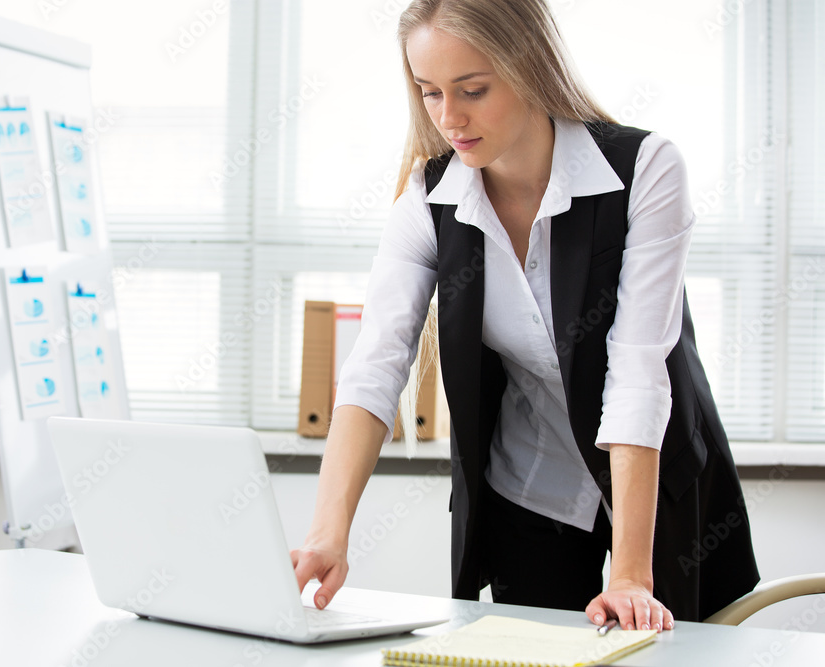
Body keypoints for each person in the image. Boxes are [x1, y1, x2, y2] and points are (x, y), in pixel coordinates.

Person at [289, 0, 760, 632]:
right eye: (430, 93)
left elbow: (638, 373)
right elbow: (375, 366)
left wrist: (629, 574)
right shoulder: (427, 203)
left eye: (473, 90)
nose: (449, 118)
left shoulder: (643, 170)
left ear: (530, 65)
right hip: (530, 480)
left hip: (654, 480)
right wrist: (328, 532)